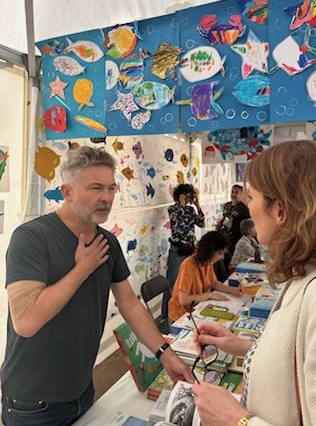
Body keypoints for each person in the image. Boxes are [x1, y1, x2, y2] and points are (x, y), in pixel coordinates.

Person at [0, 146, 193, 426]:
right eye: (95, 188)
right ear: (67, 192)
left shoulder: (108, 242)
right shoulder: (31, 238)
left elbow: (129, 304)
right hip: (34, 399)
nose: (106, 197)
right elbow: (26, 321)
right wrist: (82, 269)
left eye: (111, 188)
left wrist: (165, 354)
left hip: (82, 389)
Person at [192, 140, 316, 426]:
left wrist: (236, 420)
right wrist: (246, 347)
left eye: (252, 196)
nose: (248, 205)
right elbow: (302, 360)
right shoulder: (310, 275)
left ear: (280, 211)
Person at [168, 231, 242, 321]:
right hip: (181, 315)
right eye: (220, 253)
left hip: (197, 308)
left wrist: (233, 291)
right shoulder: (188, 265)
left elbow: (213, 282)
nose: (222, 257)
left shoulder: (207, 262)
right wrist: (209, 295)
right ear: (209, 251)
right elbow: (183, 299)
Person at [162, 184, 205, 319]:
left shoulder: (191, 210)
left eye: (189, 195)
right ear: (180, 195)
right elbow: (177, 222)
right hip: (177, 250)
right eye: (186, 195)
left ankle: (184, 312)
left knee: (187, 281)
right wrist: (181, 203)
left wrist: (198, 206)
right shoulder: (173, 209)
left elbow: (201, 223)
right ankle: (166, 315)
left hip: (190, 249)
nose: (188, 198)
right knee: (172, 282)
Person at [217, 184, 250, 257]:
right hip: (225, 238)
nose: (233, 194)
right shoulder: (227, 205)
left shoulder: (244, 209)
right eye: (232, 192)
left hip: (237, 239)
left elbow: (247, 226)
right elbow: (223, 217)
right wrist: (220, 223)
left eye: (236, 192)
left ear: (241, 194)